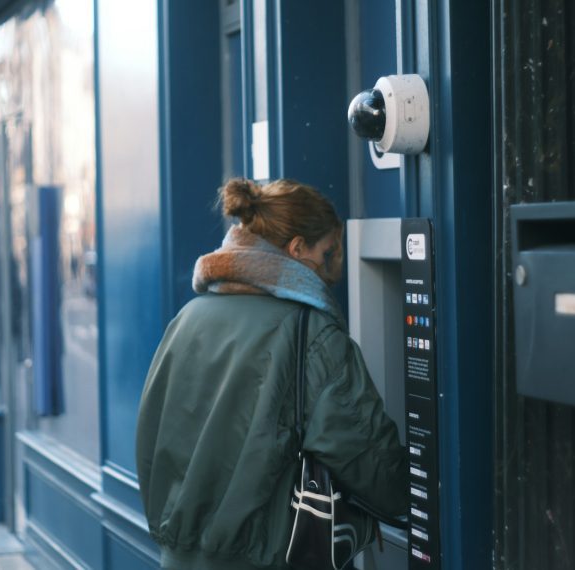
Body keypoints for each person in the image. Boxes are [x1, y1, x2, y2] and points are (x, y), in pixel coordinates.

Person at [136, 178, 408, 570]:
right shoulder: (311, 334)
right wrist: (425, 496)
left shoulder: (186, 320)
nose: (332, 273)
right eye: (328, 253)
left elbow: (151, 440)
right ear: (297, 249)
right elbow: (369, 459)